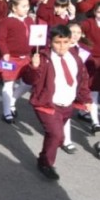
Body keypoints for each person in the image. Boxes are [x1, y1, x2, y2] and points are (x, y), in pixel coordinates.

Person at [23, 25, 95, 181]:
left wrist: (86, 99)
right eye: (57, 42)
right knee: (55, 134)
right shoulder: (43, 58)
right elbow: (29, 79)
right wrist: (33, 67)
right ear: (50, 42)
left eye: (65, 42)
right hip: (47, 103)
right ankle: (46, 164)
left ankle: (43, 157)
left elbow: (82, 81)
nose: (62, 46)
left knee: (56, 137)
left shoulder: (75, 58)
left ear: (71, 41)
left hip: (67, 104)